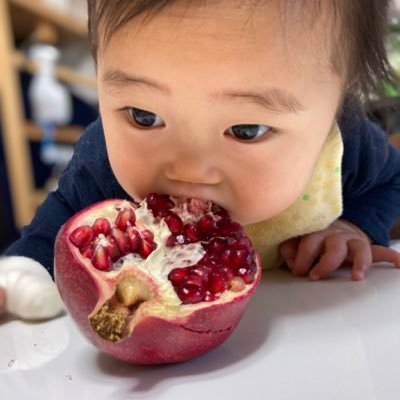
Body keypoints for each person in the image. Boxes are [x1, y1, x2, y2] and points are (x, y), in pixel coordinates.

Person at [1, 0, 400, 320]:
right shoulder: (103, 157)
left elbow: (391, 180)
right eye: (144, 116)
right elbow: (56, 225)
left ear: (334, 109)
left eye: (246, 129)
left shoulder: (343, 147)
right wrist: (20, 275)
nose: (187, 171)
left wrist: (355, 225)